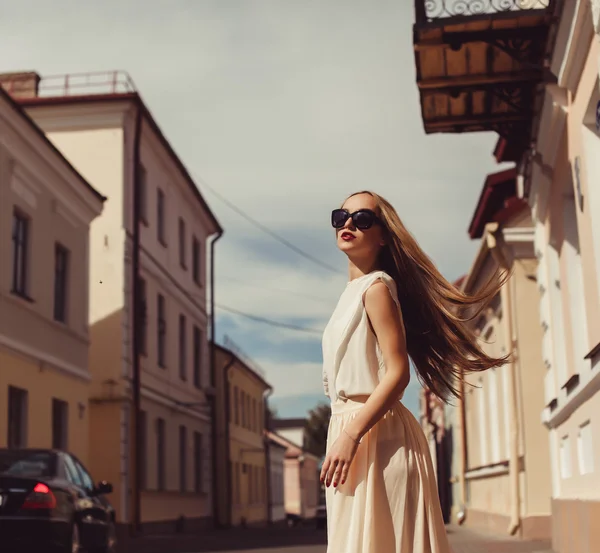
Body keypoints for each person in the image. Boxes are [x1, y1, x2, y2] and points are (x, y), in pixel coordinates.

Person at [320, 191, 508, 553]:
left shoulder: (376, 288)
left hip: (376, 435)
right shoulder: (351, 293)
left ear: (383, 236)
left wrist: (352, 434)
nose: (348, 224)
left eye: (362, 219)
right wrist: (344, 435)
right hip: (349, 432)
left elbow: (397, 373)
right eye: (341, 216)